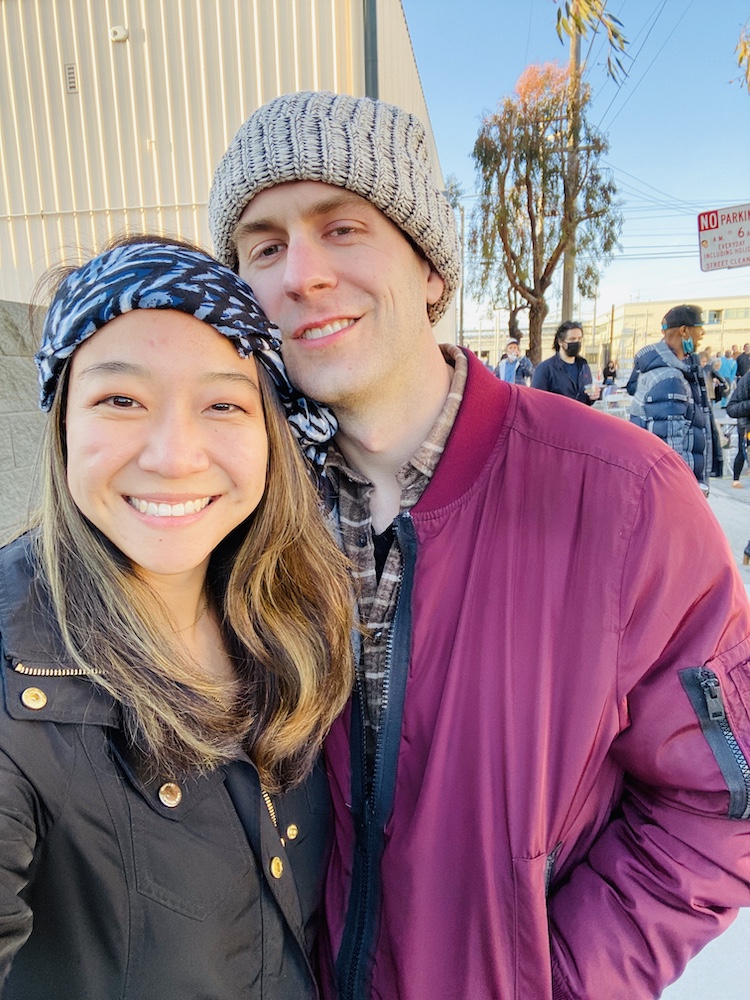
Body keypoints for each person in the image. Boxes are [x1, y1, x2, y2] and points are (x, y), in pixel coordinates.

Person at [208, 91, 750, 1000]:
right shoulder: (237, 504)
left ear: (429, 269)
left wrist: (565, 981)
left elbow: (718, 802)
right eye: (265, 246)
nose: (300, 273)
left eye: (343, 228)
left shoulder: (620, 497)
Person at [0, 237, 355, 999]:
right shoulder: (13, 669)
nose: (173, 455)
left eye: (224, 403)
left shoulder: (293, 622)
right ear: (62, 424)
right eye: (121, 400)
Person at [628, 304, 713, 492]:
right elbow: (669, 445)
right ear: (684, 331)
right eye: (699, 329)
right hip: (677, 485)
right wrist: (679, 490)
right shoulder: (670, 378)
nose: (702, 334)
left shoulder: (677, 369)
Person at [531, 320, 600, 404]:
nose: (576, 342)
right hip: (557, 416)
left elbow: (585, 398)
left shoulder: (583, 366)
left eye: (579, 339)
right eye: (572, 339)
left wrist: (592, 397)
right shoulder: (545, 368)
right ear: (560, 342)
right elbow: (536, 401)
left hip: (580, 416)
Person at [727, 367, 750, 489]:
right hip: (747, 426)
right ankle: (736, 479)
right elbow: (731, 408)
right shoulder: (747, 379)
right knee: (742, 452)